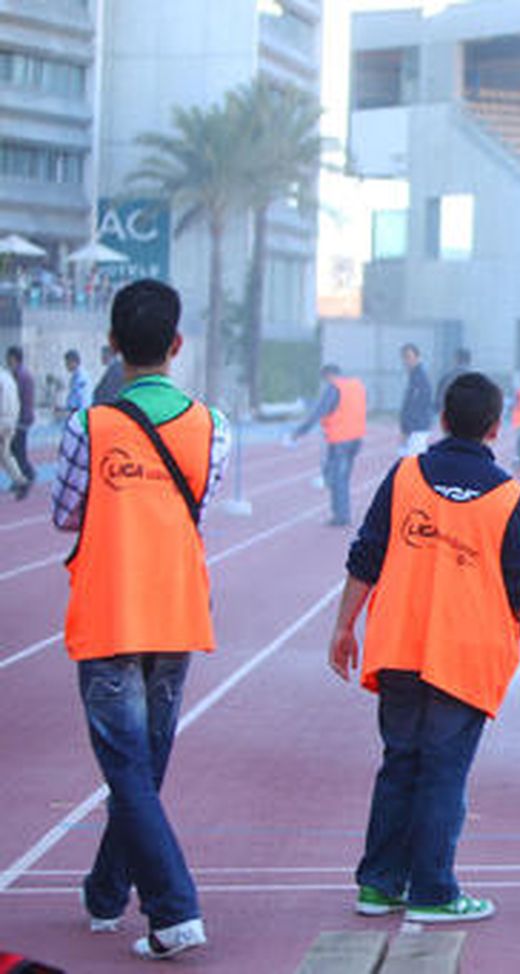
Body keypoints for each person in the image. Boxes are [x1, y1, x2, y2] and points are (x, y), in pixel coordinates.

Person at [327, 371, 520, 925]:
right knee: (444, 772)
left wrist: (343, 627)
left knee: (401, 762)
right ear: (496, 428)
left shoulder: (404, 475)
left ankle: (380, 884)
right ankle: (432, 890)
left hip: (399, 645)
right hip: (464, 655)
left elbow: (366, 555)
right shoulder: (507, 497)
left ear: (443, 419)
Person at [51, 278, 231, 960]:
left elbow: (67, 512)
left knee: (129, 766)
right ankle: (104, 891)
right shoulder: (210, 427)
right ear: (177, 345)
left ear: (113, 346)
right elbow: (199, 507)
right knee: (143, 763)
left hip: (109, 608)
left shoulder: (87, 427)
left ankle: (173, 909)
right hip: (176, 606)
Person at [292, 365, 367, 527]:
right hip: (356, 437)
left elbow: (319, 411)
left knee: (336, 478)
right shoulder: (357, 386)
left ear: (328, 375)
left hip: (340, 439)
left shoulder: (334, 388)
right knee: (343, 477)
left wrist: (299, 432)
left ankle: (341, 516)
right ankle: (342, 512)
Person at [7, 346, 35, 492]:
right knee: (14, 450)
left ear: (14, 358)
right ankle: (22, 477)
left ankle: (27, 475)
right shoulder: (21, 374)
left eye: (9, 357)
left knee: (17, 451)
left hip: (20, 419)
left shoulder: (21, 376)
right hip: (21, 418)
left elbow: (19, 399)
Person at [398, 343, 432, 457]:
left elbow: (417, 405)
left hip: (416, 428)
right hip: (414, 428)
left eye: (408, 357)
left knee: (413, 461)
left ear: (417, 357)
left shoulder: (420, 378)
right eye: (404, 357)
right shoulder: (413, 376)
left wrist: (407, 429)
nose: (406, 361)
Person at [0, 361, 25, 499]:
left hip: (2, 420)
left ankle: (19, 479)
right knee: (4, 454)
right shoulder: (8, 378)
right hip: (11, 420)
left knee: (4, 453)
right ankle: (19, 479)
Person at [60, 349, 90, 420]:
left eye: (67, 363)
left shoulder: (81, 377)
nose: (66, 365)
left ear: (74, 362)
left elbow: (83, 399)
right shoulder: (75, 375)